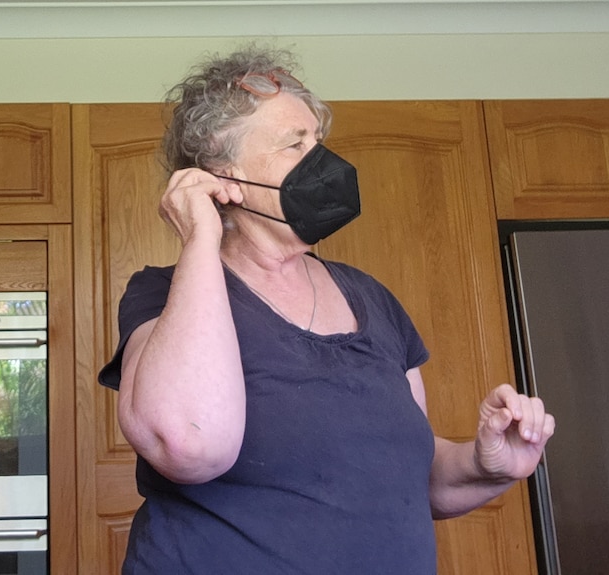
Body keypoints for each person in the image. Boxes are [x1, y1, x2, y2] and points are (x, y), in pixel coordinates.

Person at [98, 44, 555, 575]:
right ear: (221, 175)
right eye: (295, 144)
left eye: (319, 140)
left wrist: (485, 465)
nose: (323, 161)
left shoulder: (373, 299)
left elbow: (414, 480)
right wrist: (200, 236)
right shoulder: (163, 294)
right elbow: (188, 445)